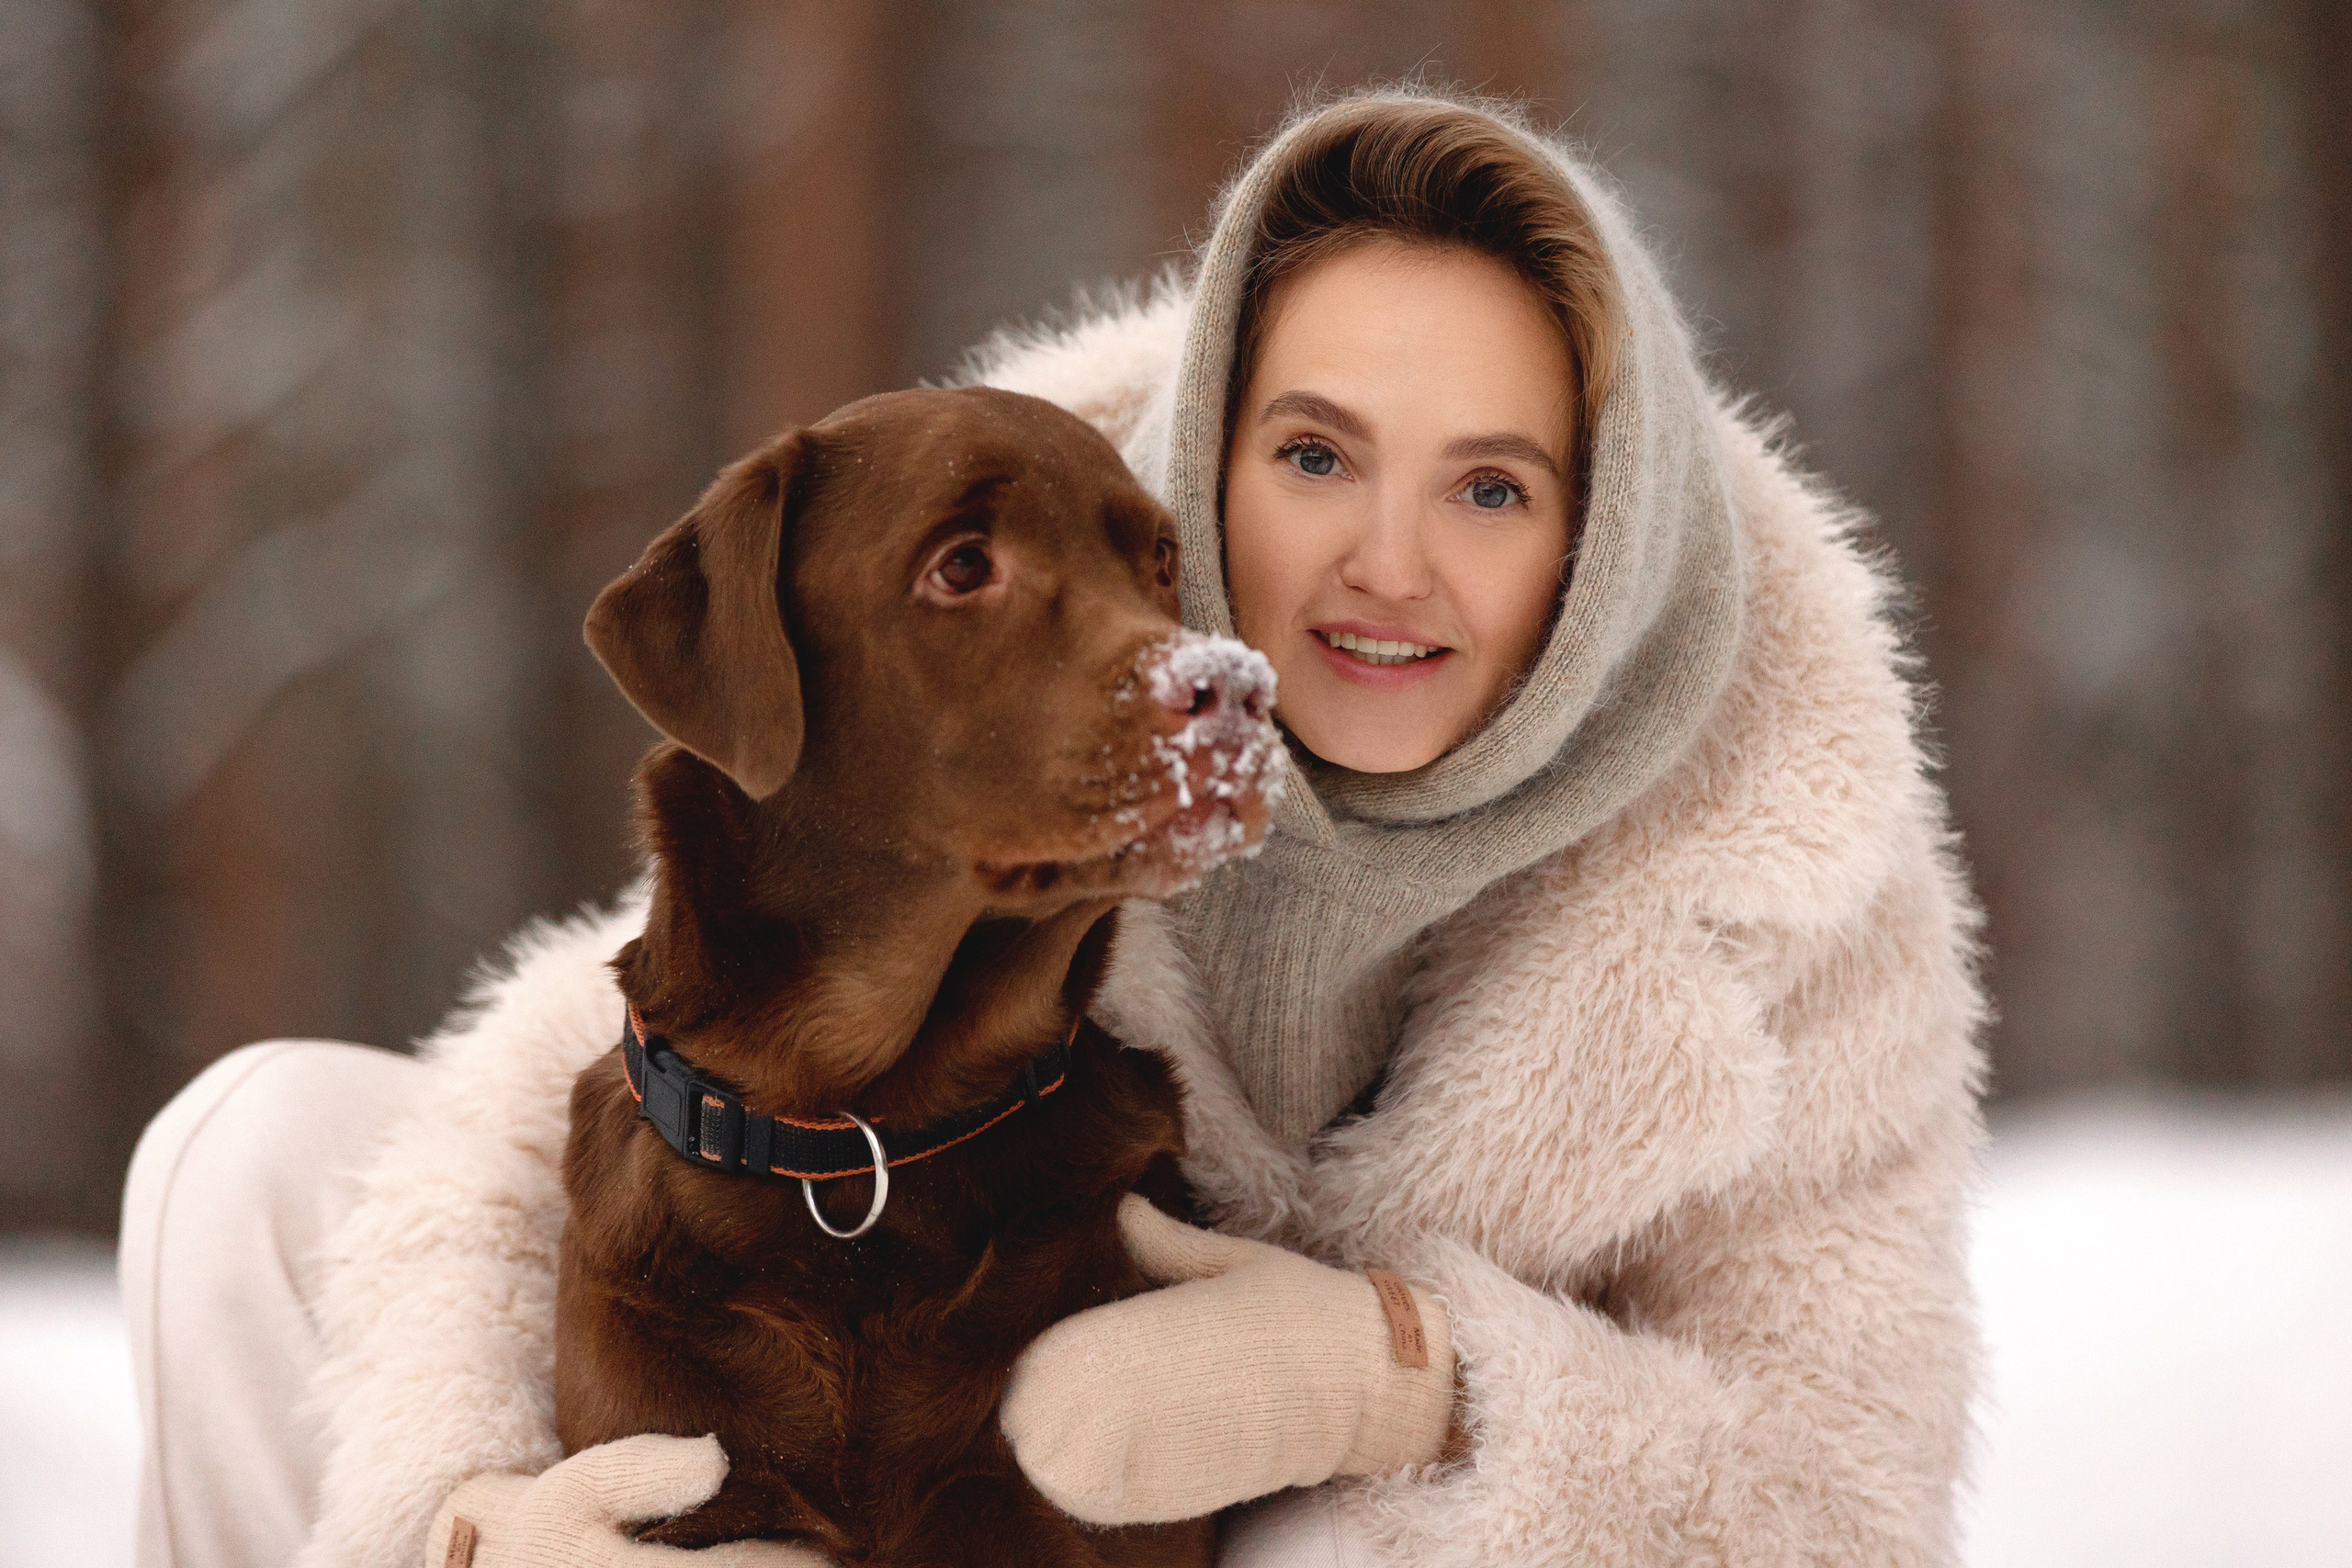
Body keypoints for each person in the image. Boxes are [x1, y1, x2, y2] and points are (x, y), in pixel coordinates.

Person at [120, 86, 1985, 1568]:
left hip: (1322, 1518)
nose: (1382, 566)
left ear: (1605, 537)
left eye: (1488, 489)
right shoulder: (1005, 540)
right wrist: (463, 1519)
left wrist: (1406, 1375)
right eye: (1314, 455)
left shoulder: (1777, 846)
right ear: (1209, 453)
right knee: (256, 1149)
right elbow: (516, 1135)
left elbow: (1840, 1502)